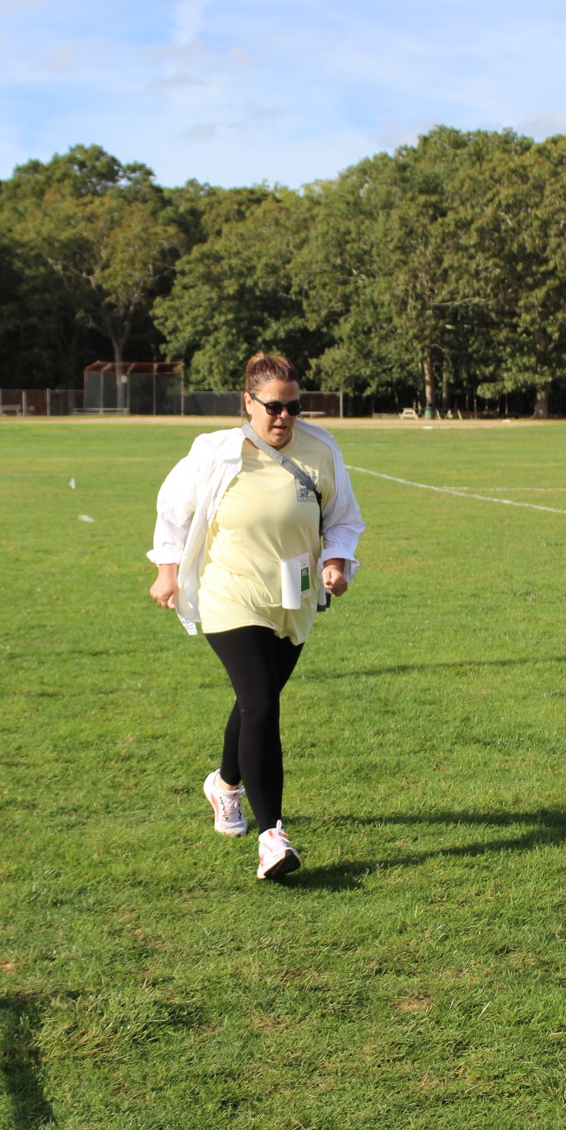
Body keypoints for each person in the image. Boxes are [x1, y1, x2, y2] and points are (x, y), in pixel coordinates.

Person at [148, 353, 364, 879]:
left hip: (293, 595)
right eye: (273, 407)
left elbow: (343, 518)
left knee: (254, 703)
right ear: (247, 402)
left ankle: (224, 784)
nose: (284, 417)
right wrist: (167, 570)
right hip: (230, 591)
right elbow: (173, 509)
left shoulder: (321, 449)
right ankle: (273, 838)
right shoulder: (215, 451)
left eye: (293, 407)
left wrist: (336, 562)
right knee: (263, 704)